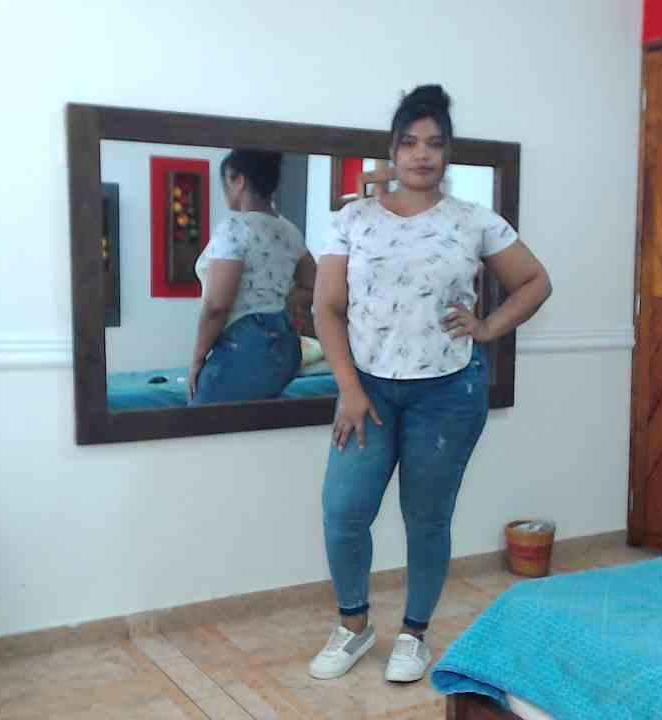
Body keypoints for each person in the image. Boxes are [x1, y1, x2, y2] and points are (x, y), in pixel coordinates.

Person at [308, 85, 553, 683]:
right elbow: (326, 310)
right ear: (393, 150)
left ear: (447, 153)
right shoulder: (353, 219)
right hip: (368, 391)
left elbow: (535, 281)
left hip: (447, 393)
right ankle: (354, 626)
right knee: (343, 512)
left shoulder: (473, 220)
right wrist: (350, 390)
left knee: (427, 518)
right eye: (410, 142)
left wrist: (487, 327)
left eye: (435, 144)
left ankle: (413, 635)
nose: (422, 154)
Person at [189, 150, 316, 405]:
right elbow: (314, 283)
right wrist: (287, 302)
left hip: (246, 344)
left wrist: (198, 357)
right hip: (286, 345)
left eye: (226, 180)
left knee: (200, 422)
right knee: (253, 424)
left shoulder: (234, 229)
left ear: (239, 180)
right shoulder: (289, 230)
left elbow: (217, 305)